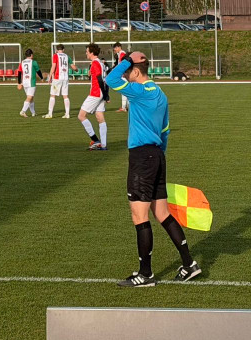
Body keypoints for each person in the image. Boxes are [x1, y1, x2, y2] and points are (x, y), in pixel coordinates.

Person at [106, 48, 201, 287]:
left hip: (142, 157)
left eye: (129, 73)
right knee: (162, 213)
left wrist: (126, 59)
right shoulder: (160, 93)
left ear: (136, 72)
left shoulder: (138, 90)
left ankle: (145, 274)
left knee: (139, 216)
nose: (126, 77)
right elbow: (165, 130)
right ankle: (189, 264)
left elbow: (110, 80)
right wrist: (158, 157)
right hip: (157, 155)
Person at [77, 44, 108, 149]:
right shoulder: (101, 63)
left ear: (91, 53)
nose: (86, 53)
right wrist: (105, 94)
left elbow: (99, 79)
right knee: (100, 117)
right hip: (100, 93)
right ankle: (103, 145)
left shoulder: (95, 63)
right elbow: (104, 79)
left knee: (81, 116)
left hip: (95, 93)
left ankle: (96, 141)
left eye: (87, 51)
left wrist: (104, 94)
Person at [44, 44, 71, 119]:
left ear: (56, 50)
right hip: (65, 78)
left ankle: (50, 113)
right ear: (63, 50)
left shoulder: (55, 55)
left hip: (57, 78)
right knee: (65, 96)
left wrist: (50, 76)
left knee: (53, 95)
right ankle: (67, 114)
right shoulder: (66, 56)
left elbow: (53, 66)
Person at [16, 48, 44, 118]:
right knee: (29, 97)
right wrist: (42, 78)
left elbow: (19, 73)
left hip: (25, 82)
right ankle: (23, 111)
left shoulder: (22, 62)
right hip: (31, 82)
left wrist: (19, 82)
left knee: (31, 98)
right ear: (31, 55)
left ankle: (33, 112)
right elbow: (38, 71)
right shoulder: (33, 62)